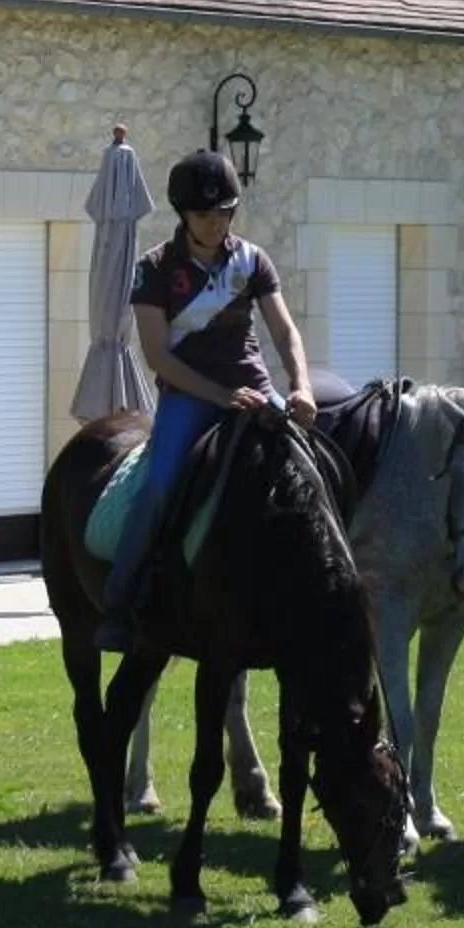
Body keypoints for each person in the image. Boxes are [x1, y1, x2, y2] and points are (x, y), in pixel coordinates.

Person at [92, 149, 316, 653]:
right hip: (190, 396)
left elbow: (283, 330)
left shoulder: (252, 260)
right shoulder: (152, 270)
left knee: (315, 470)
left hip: (255, 390)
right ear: (182, 215)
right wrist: (221, 396)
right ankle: (120, 601)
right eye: (203, 215)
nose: (215, 224)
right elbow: (157, 358)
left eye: (223, 214)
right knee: (160, 487)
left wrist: (299, 385)